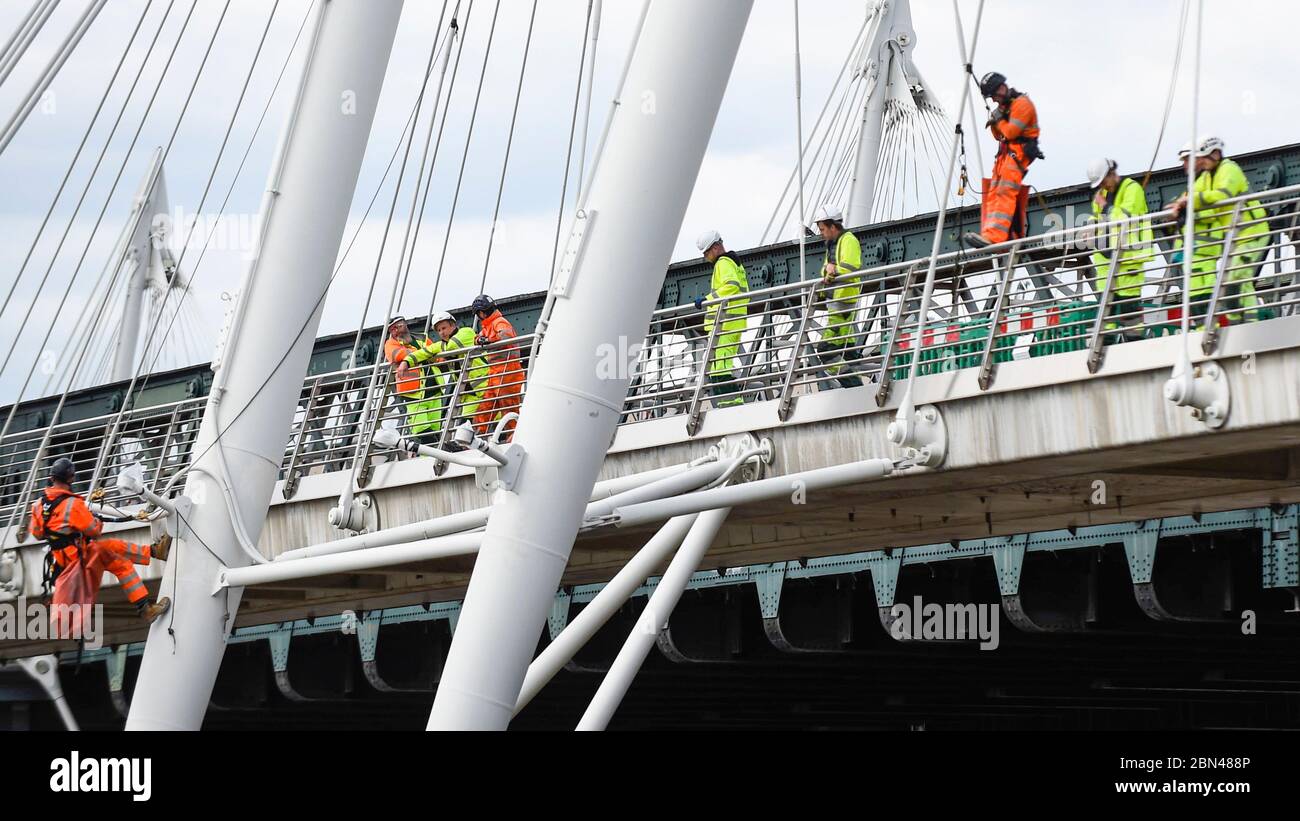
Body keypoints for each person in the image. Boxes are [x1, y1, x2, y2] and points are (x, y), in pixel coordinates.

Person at [29, 458, 171, 633]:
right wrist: (94, 519)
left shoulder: (37, 506)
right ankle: (146, 609)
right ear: (71, 478)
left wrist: (61, 530)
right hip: (80, 559)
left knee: (111, 546)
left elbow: (37, 534)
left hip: (62, 562)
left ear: (52, 478)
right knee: (122, 566)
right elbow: (94, 530)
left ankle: (155, 551)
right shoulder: (72, 504)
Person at [1170, 135, 1269, 323]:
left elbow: (1224, 194)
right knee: (1230, 282)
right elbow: (1192, 195)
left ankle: (1251, 323)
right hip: (1237, 237)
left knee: (1237, 276)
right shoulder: (1207, 176)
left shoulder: (1229, 168)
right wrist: (1179, 204)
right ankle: (1239, 322)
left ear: (1215, 155)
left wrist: (1191, 200)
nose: (1201, 162)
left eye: (1203, 157)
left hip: (1253, 232)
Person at [963, 71, 1043, 249]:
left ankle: (997, 237)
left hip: (1018, 154)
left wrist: (998, 120)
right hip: (1006, 155)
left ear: (1001, 88)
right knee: (993, 192)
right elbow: (1000, 135)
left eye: (994, 96)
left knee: (1005, 192)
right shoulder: (1008, 107)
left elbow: (1010, 132)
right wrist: (996, 120)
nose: (994, 100)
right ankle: (990, 234)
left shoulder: (1023, 105)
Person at [1085, 158, 1154, 340]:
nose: (1103, 186)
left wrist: (1105, 207)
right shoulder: (1101, 195)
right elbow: (1098, 219)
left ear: (1111, 173)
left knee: (1130, 317)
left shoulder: (1132, 189)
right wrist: (1090, 228)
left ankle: (1136, 349)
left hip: (1128, 262)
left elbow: (1124, 217)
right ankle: (1103, 352)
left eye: (1103, 182)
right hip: (1106, 266)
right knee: (1105, 319)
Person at [399, 311, 489, 437]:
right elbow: (423, 352)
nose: (441, 332)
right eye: (439, 330)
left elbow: (453, 345)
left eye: (444, 328)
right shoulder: (442, 345)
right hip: (471, 393)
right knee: (466, 425)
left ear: (453, 325)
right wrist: (406, 362)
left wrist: (437, 353)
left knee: (494, 419)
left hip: (486, 387)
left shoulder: (466, 332)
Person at [693, 230, 750, 407]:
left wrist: (708, 299)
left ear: (716, 247)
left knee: (721, 367)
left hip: (726, 324)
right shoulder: (733, 263)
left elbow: (731, 286)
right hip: (729, 323)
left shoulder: (723, 263)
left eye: (707, 252)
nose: (705, 257)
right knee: (719, 367)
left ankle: (732, 405)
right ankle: (729, 403)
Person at [811, 205, 865, 389]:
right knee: (847, 351)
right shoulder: (832, 245)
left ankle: (855, 387)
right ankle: (856, 387)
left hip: (843, 303)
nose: (822, 233)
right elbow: (825, 268)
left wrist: (833, 271)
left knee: (826, 352)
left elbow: (851, 266)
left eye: (823, 229)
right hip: (836, 303)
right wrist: (828, 271)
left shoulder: (848, 240)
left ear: (833, 226)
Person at [469, 295, 525, 439]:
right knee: (486, 406)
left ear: (481, 313)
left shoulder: (499, 322)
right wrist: (480, 340)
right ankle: (474, 437)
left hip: (508, 372)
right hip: (496, 373)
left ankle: (515, 437)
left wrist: (488, 340)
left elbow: (505, 336)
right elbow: (477, 339)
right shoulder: (489, 325)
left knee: (509, 406)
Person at [383, 316, 441, 444]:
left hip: (434, 389)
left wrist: (424, 353)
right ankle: (429, 458)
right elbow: (398, 355)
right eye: (392, 328)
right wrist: (424, 353)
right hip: (413, 393)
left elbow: (437, 353)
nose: (394, 330)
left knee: (436, 429)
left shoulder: (421, 338)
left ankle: (435, 455)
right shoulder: (390, 344)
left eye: (399, 325)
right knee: (421, 429)